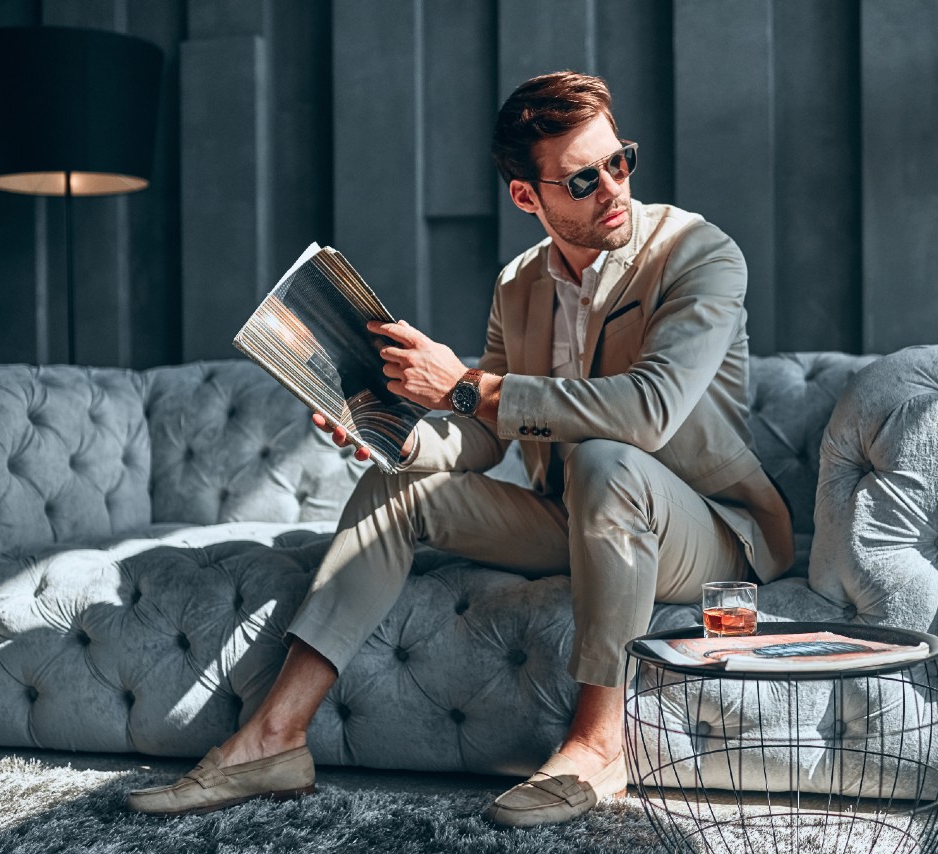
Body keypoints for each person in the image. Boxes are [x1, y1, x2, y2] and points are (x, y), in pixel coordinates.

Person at [127, 70, 794, 827]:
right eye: (583, 178)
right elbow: (481, 437)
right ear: (526, 197)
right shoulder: (518, 285)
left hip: (708, 530)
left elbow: (647, 411)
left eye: (620, 161)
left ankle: (600, 743)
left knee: (610, 459)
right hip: (576, 517)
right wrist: (393, 432)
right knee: (399, 484)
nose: (613, 188)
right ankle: (273, 740)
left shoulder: (698, 252)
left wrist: (466, 385)